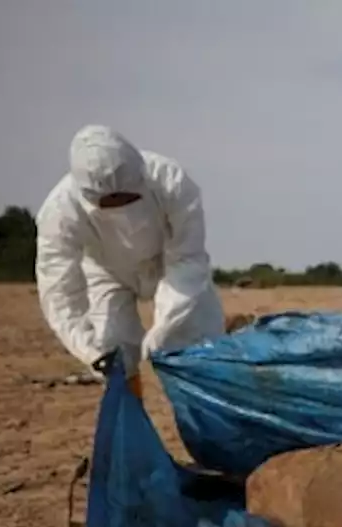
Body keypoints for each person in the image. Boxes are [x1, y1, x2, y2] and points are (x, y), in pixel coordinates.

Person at [34, 124, 226, 401]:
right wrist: (88, 350)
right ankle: (134, 420)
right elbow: (58, 289)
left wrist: (165, 327)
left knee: (198, 343)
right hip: (105, 271)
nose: (121, 208)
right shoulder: (60, 212)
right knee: (113, 355)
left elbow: (187, 258)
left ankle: (209, 415)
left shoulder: (172, 181)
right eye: (109, 202)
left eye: (128, 198)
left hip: (171, 264)